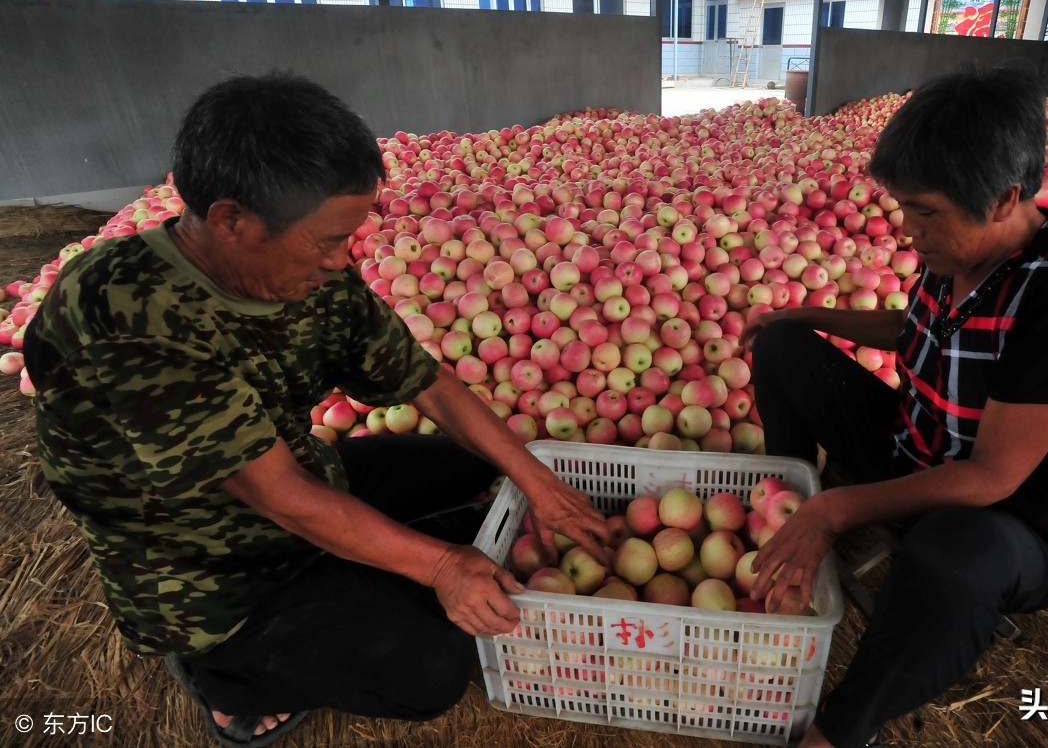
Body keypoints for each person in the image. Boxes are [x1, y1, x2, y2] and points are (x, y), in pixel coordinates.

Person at [23, 72, 609, 748]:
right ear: (231, 220)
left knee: (471, 465)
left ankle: (365, 567)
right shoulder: (122, 310)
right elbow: (279, 498)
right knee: (431, 671)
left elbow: (428, 383)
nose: (342, 259)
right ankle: (225, 678)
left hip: (299, 477)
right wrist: (443, 566)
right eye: (326, 240)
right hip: (203, 567)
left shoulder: (306, 276)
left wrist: (539, 482)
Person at [744, 67, 1048, 748]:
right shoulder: (959, 249)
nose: (908, 229)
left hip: (1011, 526)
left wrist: (837, 510)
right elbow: (917, 330)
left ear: (1002, 199)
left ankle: (844, 727)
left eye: (924, 211)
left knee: (951, 549)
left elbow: (992, 480)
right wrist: (800, 315)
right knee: (782, 346)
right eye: (906, 207)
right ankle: (788, 505)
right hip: (916, 454)